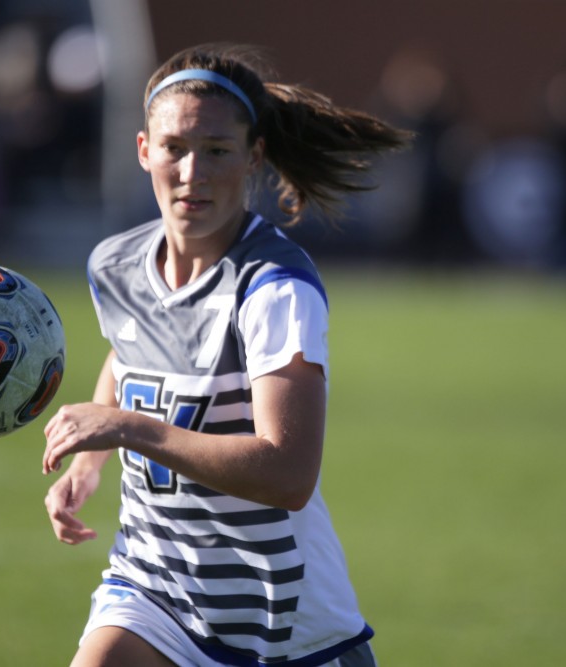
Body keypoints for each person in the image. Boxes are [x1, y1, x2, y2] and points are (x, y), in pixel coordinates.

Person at [42, 43, 412, 667]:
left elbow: (288, 474)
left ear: (253, 157)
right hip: (153, 592)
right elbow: (129, 355)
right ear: (143, 151)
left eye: (216, 150)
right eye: (175, 148)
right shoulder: (115, 265)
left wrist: (129, 428)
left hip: (286, 629)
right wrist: (92, 462)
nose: (193, 173)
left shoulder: (274, 286)